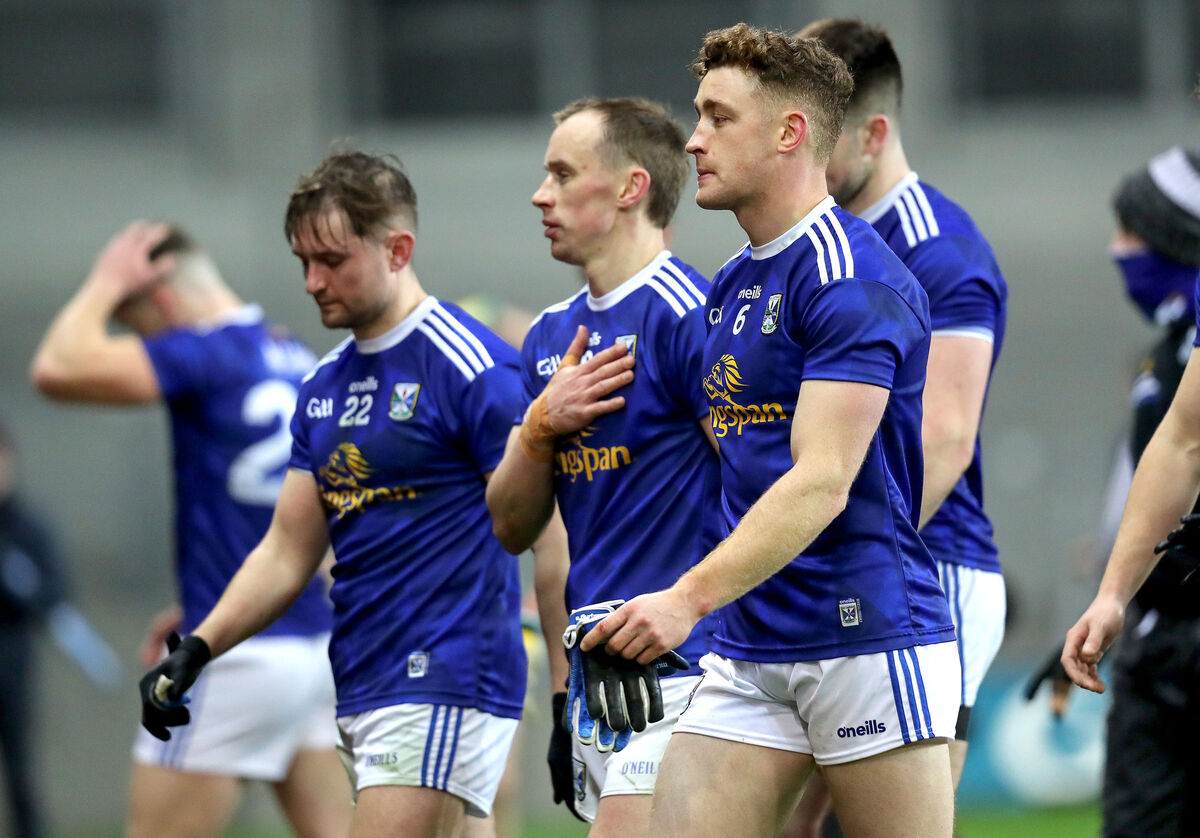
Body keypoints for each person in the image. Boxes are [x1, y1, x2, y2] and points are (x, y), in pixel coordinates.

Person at [582, 24, 959, 838]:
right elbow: (729, 469)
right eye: (698, 115)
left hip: (864, 634)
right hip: (750, 644)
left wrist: (683, 599)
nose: (694, 140)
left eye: (719, 118)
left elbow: (821, 480)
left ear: (790, 133)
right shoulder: (731, 286)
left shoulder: (851, 276)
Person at [132, 151, 561, 838]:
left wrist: (568, 689)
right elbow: (286, 550)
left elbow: (547, 528)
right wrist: (198, 648)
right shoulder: (324, 385)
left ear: (398, 249)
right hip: (364, 676)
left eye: (332, 260)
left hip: (446, 671)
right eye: (303, 261)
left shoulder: (471, 366)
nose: (312, 281)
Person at [30, 224, 349, 838]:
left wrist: (104, 284)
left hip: (237, 660)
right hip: (312, 647)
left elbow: (55, 367)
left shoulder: (204, 352)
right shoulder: (294, 355)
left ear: (165, 299)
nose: (141, 341)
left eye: (138, 323)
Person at [785, 22, 1009, 829]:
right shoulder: (812, 246)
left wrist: (826, 550)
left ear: (873, 134)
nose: (795, 152)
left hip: (926, 566)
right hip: (834, 561)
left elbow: (943, 440)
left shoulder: (939, 250)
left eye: (813, 134)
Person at [485, 96, 721, 836]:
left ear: (629, 188)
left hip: (693, 663)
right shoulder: (552, 337)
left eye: (561, 173)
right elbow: (513, 528)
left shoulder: (694, 317)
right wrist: (538, 429)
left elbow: (765, 489)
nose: (540, 194)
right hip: (601, 672)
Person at [1049, 146, 1200, 837]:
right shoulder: (1165, 351)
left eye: (1129, 232)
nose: (1117, 251)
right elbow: (1175, 449)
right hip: (1157, 634)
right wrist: (1110, 598)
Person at [0, 421, 121, 838]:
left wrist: (19, 588)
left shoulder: (29, 527)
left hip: (12, 658)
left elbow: (53, 596)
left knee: (20, 768)